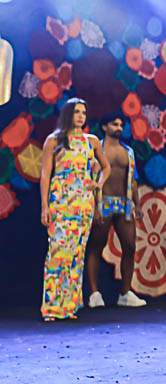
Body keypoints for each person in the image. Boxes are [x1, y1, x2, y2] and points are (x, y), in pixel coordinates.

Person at [39, 98, 110, 321]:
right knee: (58, 252)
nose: (80, 116)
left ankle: (69, 306)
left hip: (83, 204)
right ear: (68, 114)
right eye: (76, 112)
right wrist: (44, 206)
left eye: (84, 112)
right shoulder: (54, 140)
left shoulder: (92, 141)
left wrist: (98, 183)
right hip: (61, 201)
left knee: (76, 254)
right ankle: (52, 307)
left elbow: (105, 167)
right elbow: (45, 175)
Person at [84, 114, 146, 308]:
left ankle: (125, 293)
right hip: (103, 203)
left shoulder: (128, 151)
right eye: (114, 124)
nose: (119, 127)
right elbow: (89, 178)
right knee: (96, 246)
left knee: (130, 246)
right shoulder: (96, 149)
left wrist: (137, 204)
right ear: (104, 127)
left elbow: (133, 180)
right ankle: (94, 294)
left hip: (124, 204)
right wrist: (94, 207)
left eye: (121, 125)